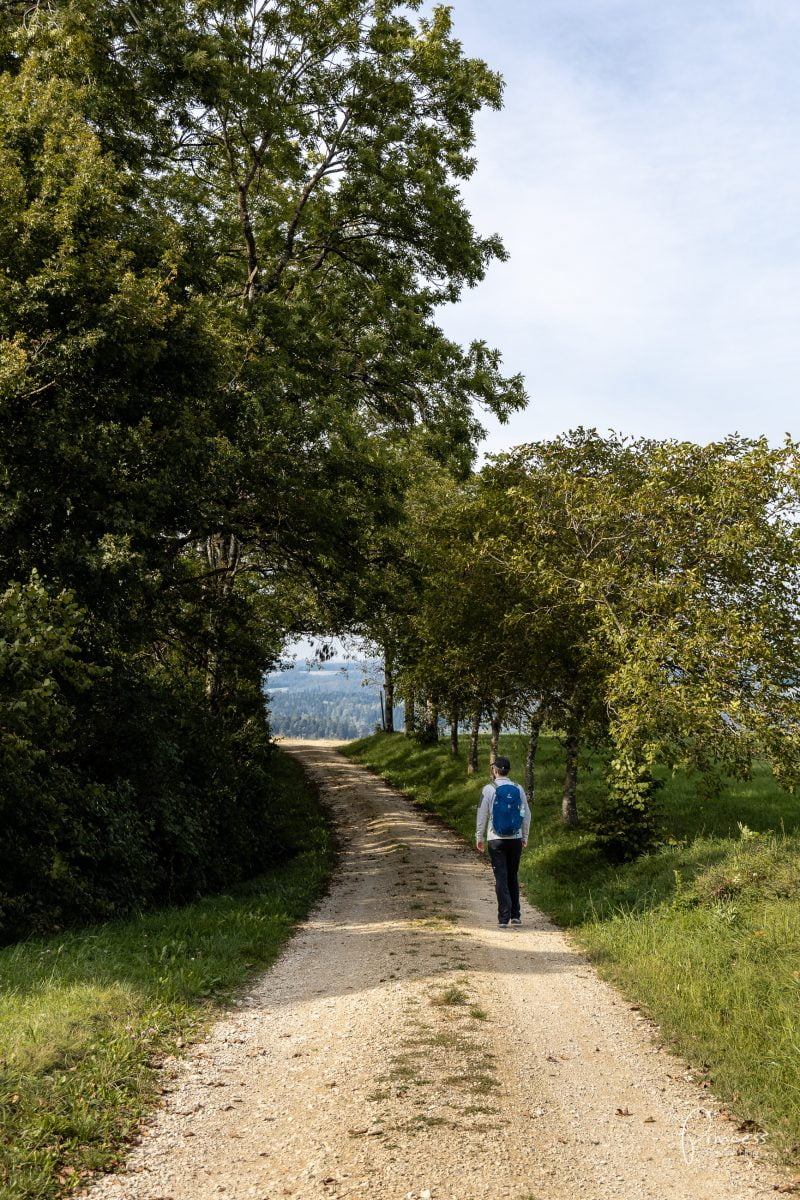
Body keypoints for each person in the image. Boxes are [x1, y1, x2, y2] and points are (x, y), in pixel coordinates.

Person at [476, 756, 531, 928]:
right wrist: (525, 836)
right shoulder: (518, 788)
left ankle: (503, 917)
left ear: (494, 770)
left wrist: (479, 837)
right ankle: (516, 915)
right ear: (508, 771)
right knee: (512, 876)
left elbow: (482, 814)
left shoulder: (489, 789)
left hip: (496, 839)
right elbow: (526, 814)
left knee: (501, 877)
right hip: (515, 839)